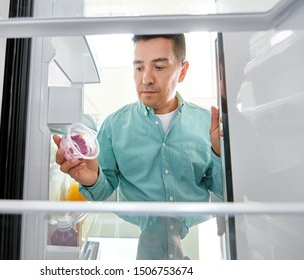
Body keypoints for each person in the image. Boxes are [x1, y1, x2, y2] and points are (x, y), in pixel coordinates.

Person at [53, 33, 223, 259]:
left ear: (182, 71)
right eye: (139, 68)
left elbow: (223, 191)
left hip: (199, 234)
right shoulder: (115, 126)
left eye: (159, 67)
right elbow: (103, 190)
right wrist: (92, 179)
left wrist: (221, 154)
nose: (146, 79)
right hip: (131, 232)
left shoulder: (206, 124)